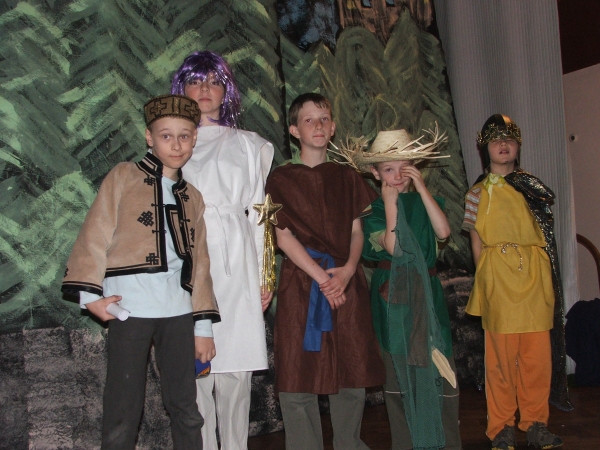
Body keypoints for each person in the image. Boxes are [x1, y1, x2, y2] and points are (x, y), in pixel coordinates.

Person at [62, 94, 220, 450]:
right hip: (128, 308)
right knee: (123, 406)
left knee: (185, 406)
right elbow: (95, 232)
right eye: (166, 136)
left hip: (178, 311)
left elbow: (200, 264)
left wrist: (203, 326)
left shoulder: (193, 197)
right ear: (149, 137)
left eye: (184, 136)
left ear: (194, 138)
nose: (176, 145)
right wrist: (90, 296)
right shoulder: (123, 176)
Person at [265, 93, 385, 450]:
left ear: (332, 128)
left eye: (324, 119)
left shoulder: (347, 177)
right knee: (297, 374)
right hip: (302, 284)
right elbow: (283, 237)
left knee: (351, 369)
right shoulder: (279, 179)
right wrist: (321, 278)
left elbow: (356, 232)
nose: (317, 125)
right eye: (308, 120)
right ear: (294, 130)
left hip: (345, 282)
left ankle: (349, 443)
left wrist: (347, 270)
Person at [171, 51, 274, 450]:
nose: (205, 89)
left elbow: (261, 215)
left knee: (236, 370)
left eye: (214, 81)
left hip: (236, 260)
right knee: (196, 369)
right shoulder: (174, 145)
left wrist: (265, 274)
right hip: (190, 259)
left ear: (226, 90)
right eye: (196, 81)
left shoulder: (248, 145)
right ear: (182, 89)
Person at [335, 126, 461, 450]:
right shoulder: (373, 211)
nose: (397, 176)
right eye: (388, 169)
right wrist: (391, 205)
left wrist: (422, 189)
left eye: (404, 168)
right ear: (375, 173)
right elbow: (394, 247)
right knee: (400, 370)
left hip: (427, 294)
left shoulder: (424, 201)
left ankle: (445, 442)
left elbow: (443, 231)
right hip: (393, 297)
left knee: (439, 363)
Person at [462, 114, 564, 450]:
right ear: (485, 147)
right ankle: (501, 427)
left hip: (534, 278)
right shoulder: (476, 193)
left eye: (508, 138)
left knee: (537, 359)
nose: (503, 144)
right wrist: (485, 281)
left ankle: (535, 423)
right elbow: (476, 240)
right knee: (501, 361)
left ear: (518, 145)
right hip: (499, 280)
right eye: (495, 139)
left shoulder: (533, 189)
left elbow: (547, 238)